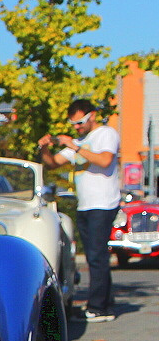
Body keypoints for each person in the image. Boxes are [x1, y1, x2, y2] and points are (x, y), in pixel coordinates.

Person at [39, 99, 120, 321]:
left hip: (103, 203)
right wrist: (44, 147)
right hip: (85, 204)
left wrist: (75, 146)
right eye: (73, 124)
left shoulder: (106, 134)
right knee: (96, 255)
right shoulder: (79, 141)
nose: (76, 127)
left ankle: (98, 308)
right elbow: (53, 162)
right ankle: (105, 302)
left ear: (92, 116)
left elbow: (105, 160)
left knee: (96, 256)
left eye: (80, 122)